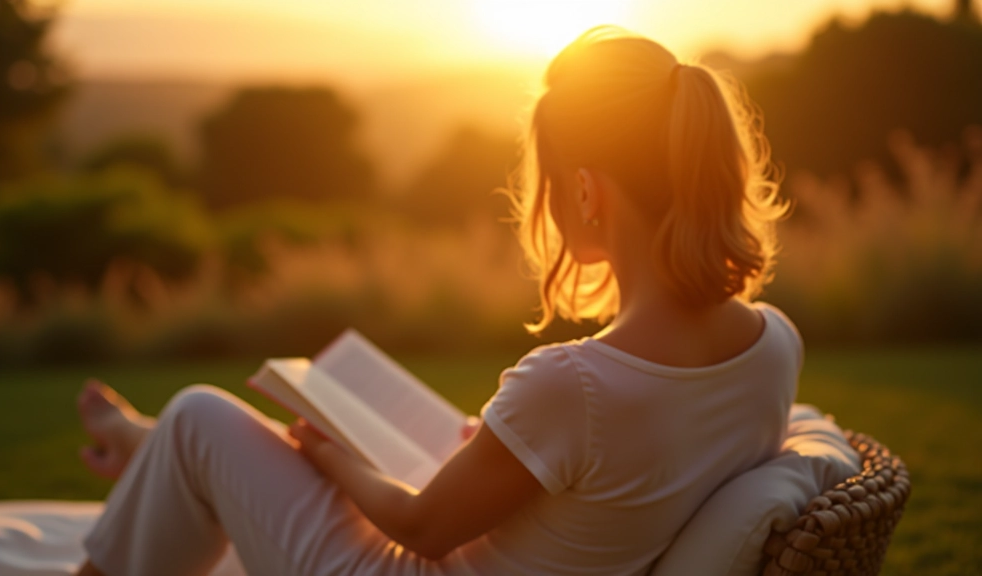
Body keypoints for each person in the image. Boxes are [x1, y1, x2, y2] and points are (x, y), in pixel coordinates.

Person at [75, 26, 799, 576]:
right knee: (221, 433)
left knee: (202, 414)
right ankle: (154, 450)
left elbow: (420, 529)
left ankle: (161, 455)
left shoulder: (574, 385)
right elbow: (628, 467)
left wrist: (330, 456)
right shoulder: (774, 343)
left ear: (585, 189)